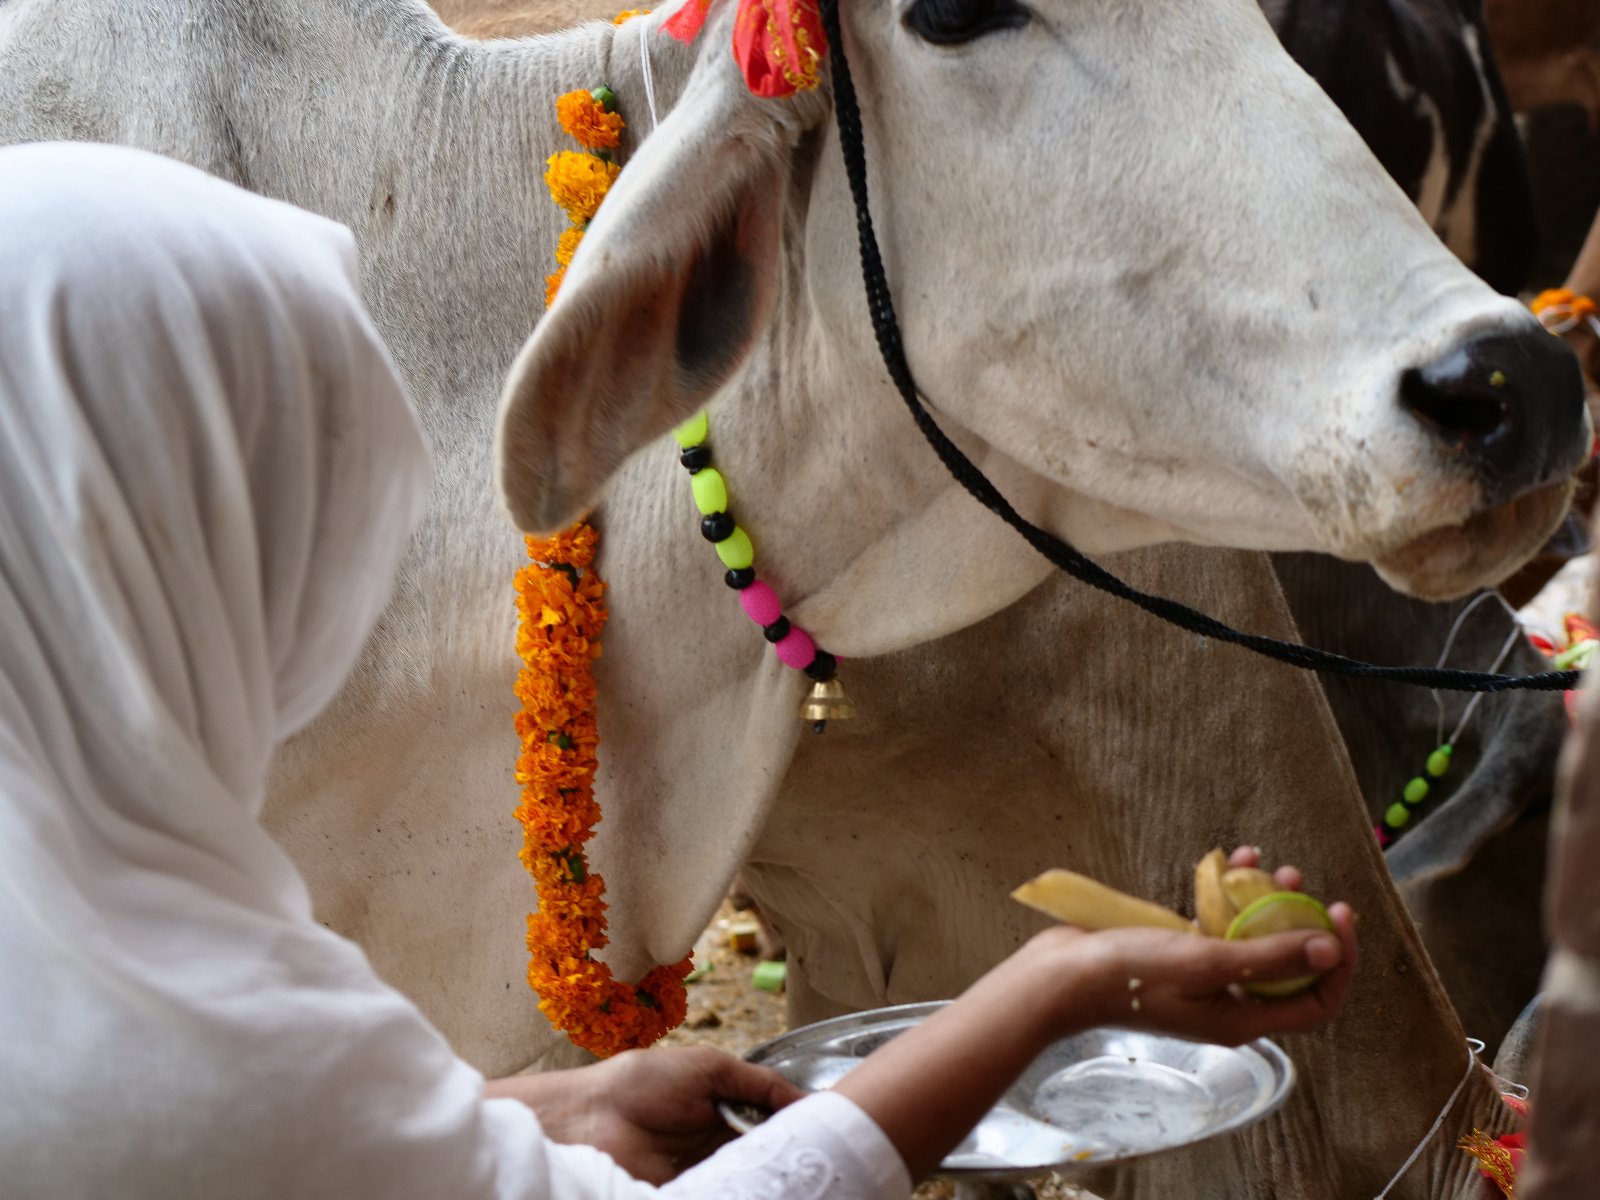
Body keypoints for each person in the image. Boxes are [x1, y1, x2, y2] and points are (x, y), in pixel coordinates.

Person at [0, 141, 1357, 1199]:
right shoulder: (172, 1021)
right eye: (289, 523)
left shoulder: (85, 916)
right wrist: (1057, 992)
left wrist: (526, 1117)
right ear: (150, 535)